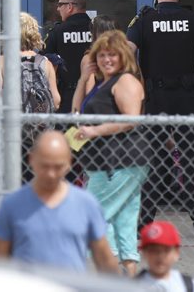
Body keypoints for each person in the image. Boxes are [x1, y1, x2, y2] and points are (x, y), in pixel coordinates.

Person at [127, 0, 194, 238]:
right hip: (187, 98)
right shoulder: (193, 19)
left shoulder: (145, 19)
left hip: (155, 98)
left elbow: (126, 49)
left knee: (154, 161)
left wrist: (138, 80)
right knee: (193, 162)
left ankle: (143, 224)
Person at [73, 30, 148, 276]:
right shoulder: (102, 83)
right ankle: (127, 276)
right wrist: (84, 78)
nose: (107, 60)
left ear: (122, 56)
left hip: (119, 161)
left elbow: (131, 120)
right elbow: (75, 110)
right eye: (102, 55)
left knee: (95, 218)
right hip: (104, 162)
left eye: (112, 55)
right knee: (123, 222)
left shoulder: (126, 81)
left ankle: (109, 280)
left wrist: (96, 131)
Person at [0, 130, 119, 274]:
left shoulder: (86, 204)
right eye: (45, 166)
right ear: (32, 160)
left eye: (58, 167)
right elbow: (0, 262)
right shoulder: (12, 205)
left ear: (69, 162)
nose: (51, 174)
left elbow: (105, 260)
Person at [0, 12, 60, 184]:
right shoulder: (44, 62)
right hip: (39, 135)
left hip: (11, 134)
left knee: (10, 183)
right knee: (36, 182)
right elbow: (56, 99)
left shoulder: (2, 61)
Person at [43, 0, 92, 113]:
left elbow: (44, 61)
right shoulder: (96, 29)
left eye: (60, 4)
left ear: (70, 7)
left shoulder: (57, 32)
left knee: (66, 132)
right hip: (94, 94)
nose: (58, 8)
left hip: (67, 96)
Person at [137, 221, 194, 292]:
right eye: (153, 251)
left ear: (176, 253)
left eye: (166, 250)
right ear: (144, 253)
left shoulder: (190, 286)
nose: (160, 256)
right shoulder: (131, 286)